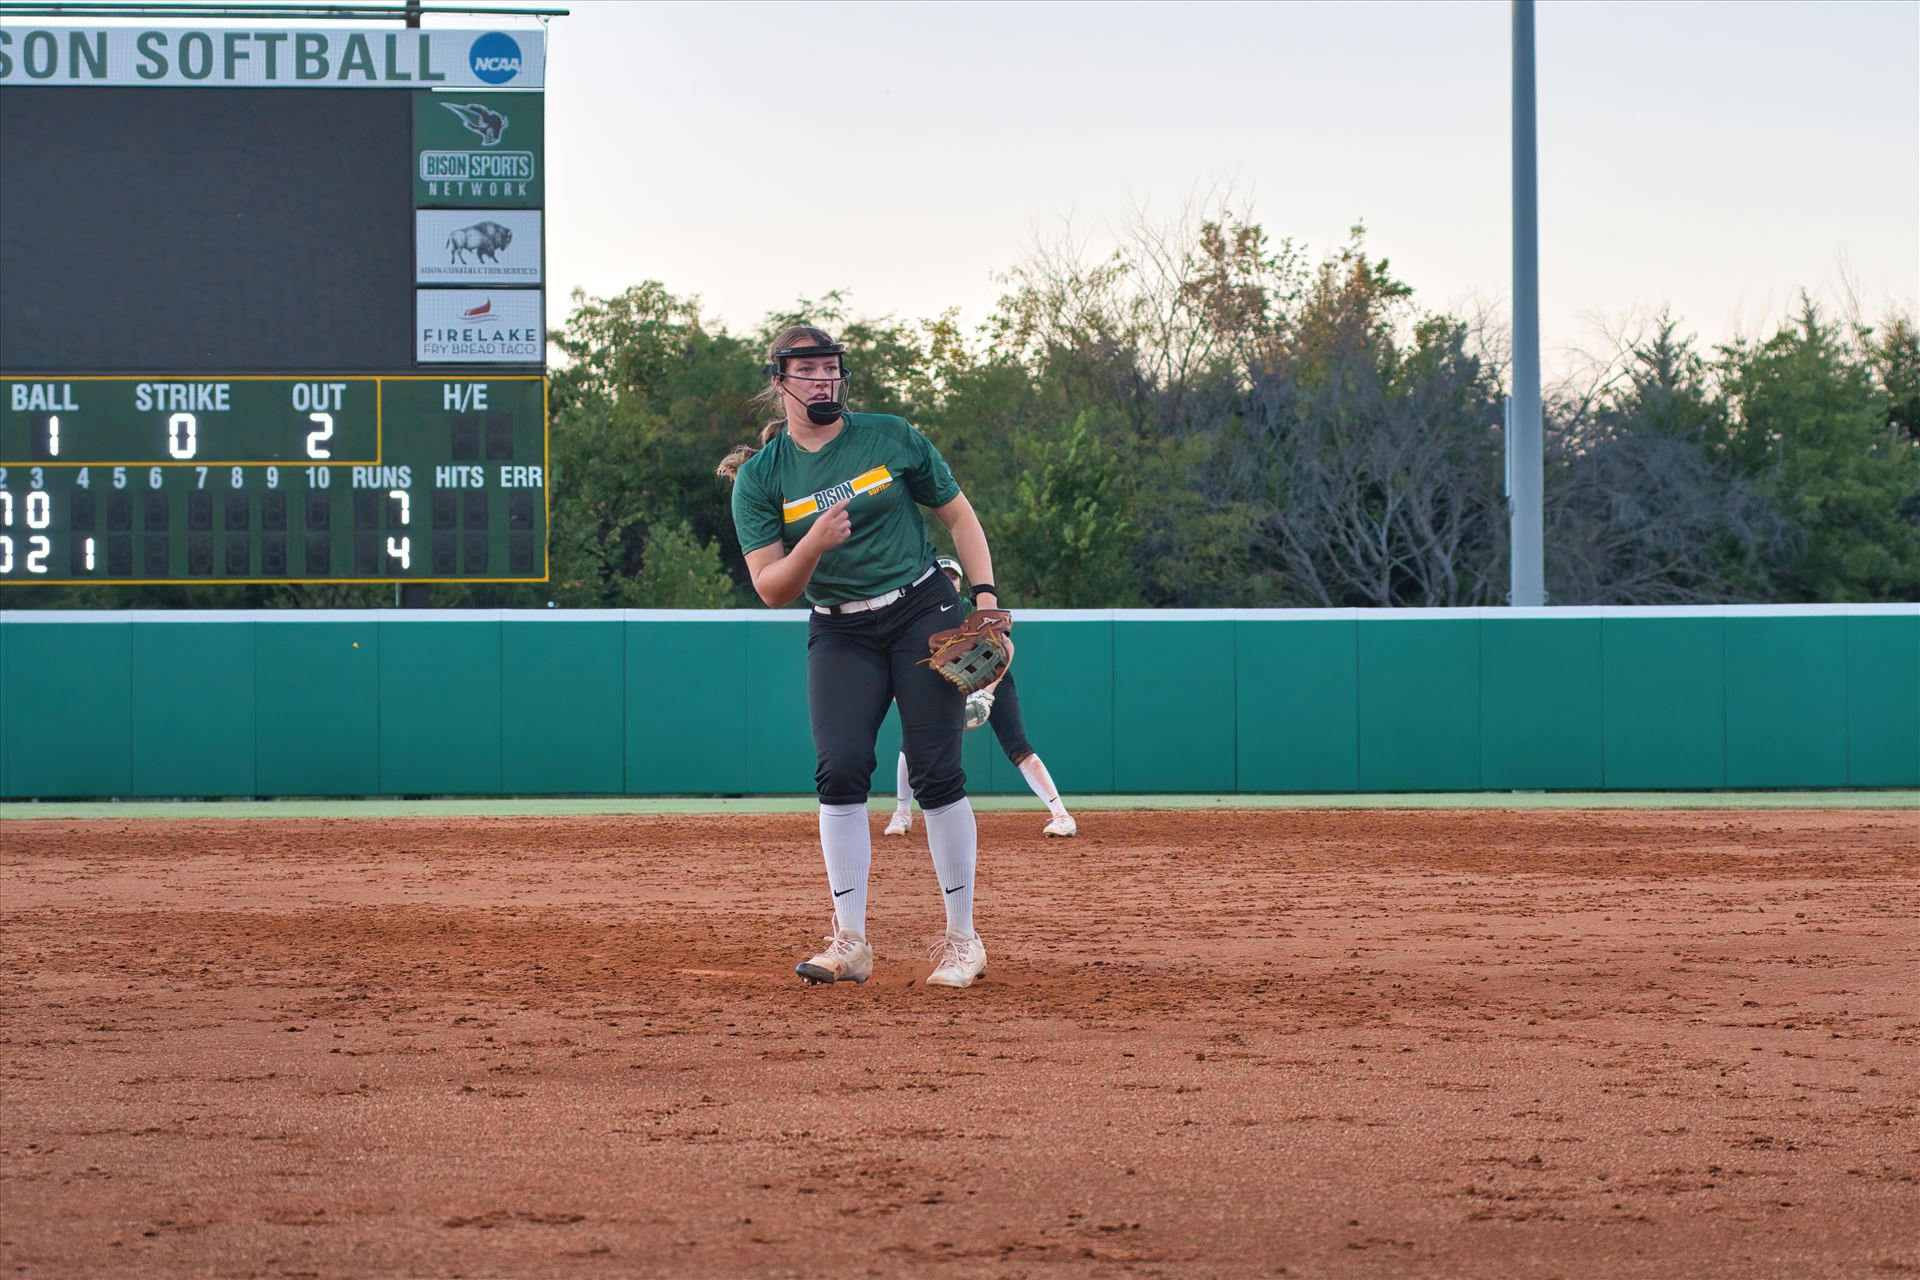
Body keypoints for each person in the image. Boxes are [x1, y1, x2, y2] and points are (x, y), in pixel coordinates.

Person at [717, 325, 1003, 990]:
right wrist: (812, 543)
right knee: (840, 768)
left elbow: (959, 517)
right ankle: (852, 943)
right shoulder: (761, 478)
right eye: (808, 370)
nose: (823, 380)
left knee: (935, 770)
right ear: (780, 380)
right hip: (840, 627)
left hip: (921, 608)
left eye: (831, 369)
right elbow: (771, 589)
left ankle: (963, 941)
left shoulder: (891, 435)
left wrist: (984, 598)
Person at [885, 558, 1077, 839]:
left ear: (960, 582)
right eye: (944, 575)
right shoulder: (918, 613)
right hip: (943, 682)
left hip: (991, 679)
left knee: (1019, 747)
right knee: (912, 742)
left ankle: (1062, 816)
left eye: (954, 576)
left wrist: (986, 695)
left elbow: (1006, 645)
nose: (949, 580)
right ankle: (902, 812)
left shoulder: (971, 610)